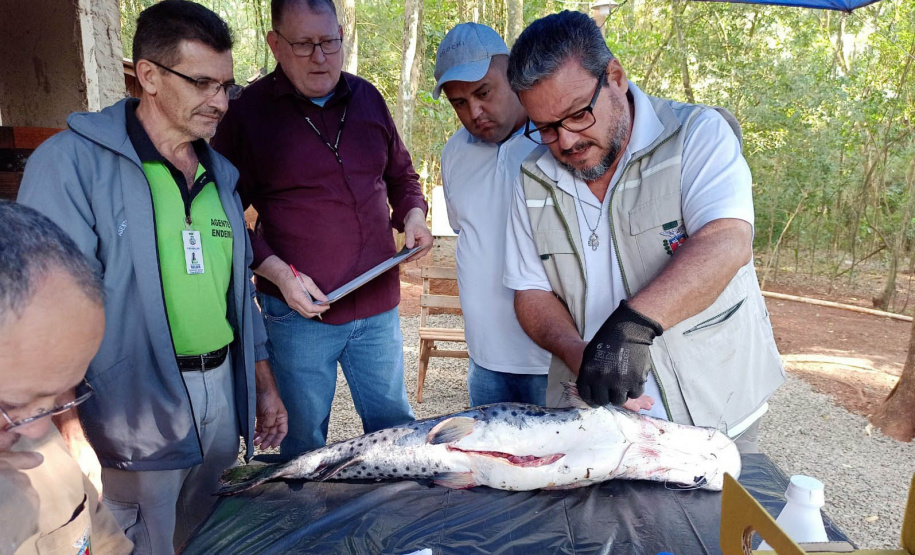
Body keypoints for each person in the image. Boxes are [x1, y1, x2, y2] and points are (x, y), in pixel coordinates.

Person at [17, 2, 288, 552]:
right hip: (128, 410)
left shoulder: (220, 176)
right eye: (202, 83)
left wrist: (262, 385)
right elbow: (43, 309)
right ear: (149, 76)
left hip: (219, 398)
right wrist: (67, 430)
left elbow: (237, 294)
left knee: (203, 536)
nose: (220, 102)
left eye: (226, 86)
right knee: (138, 541)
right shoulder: (72, 165)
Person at [503, 11, 785, 453]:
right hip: (592, 423)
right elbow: (530, 291)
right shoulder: (533, 176)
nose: (566, 141)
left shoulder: (696, 134)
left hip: (715, 413)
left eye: (577, 115)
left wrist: (632, 327)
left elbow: (726, 240)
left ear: (615, 77)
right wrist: (577, 351)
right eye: (545, 128)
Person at [211, 0, 432, 458]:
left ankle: (390, 506)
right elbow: (220, 215)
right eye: (304, 44)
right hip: (300, 318)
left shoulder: (367, 98)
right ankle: (304, 506)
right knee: (303, 442)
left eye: (329, 42)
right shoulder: (248, 114)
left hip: (378, 308)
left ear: (341, 37)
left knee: (395, 432)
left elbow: (402, 176)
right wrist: (278, 273)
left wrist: (413, 213)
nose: (320, 57)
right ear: (275, 44)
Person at [0, 201, 132, 555]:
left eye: (56, 399)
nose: (40, 430)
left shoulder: (44, 447)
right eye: (11, 404)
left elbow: (107, 542)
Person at [433, 23, 551, 406]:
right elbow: (466, 230)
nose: (474, 112)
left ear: (512, 73)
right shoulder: (454, 153)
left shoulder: (557, 142)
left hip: (550, 360)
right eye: (459, 103)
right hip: (483, 361)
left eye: (483, 92)